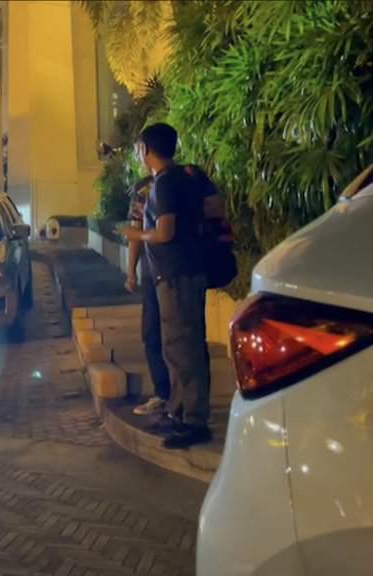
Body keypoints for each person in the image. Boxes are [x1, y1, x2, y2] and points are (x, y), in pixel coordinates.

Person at [123, 123, 212, 449]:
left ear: (146, 149)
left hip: (176, 275)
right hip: (186, 271)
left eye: (138, 148)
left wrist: (136, 234)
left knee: (180, 347)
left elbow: (164, 232)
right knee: (184, 346)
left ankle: (193, 422)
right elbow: (214, 208)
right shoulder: (186, 178)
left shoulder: (163, 184)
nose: (138, 154)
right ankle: (181, 413)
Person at [124, 175, 172, 417]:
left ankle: (169, 396)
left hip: (162, 273)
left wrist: (131, 271)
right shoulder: (183, 179)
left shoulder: (147, 188)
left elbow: (135, 232)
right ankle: (169, 396)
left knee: (158, 335)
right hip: (168, 272)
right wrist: (131, 271)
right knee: (159, 334)